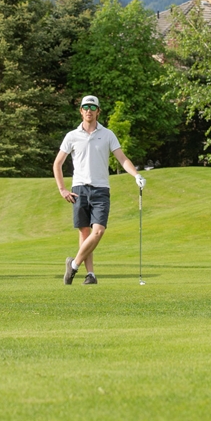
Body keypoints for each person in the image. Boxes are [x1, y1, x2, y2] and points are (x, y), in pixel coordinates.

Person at [53, 95, 145, 285]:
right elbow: (58, 163)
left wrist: (136, 175)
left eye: (92, 107)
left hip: (101, 188)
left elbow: (122, 158)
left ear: (98, 111)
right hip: (79, 188)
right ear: (81, 111)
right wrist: (62, 189)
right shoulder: (72, 136)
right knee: (84, 233)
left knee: (98, 231)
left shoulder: (108, 134)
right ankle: (91, 275)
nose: (88, 110)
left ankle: (74, 265)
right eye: (85, 107)